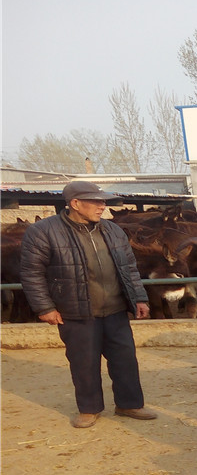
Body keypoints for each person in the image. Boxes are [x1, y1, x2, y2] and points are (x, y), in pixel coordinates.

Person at [19, 181, 157, 428]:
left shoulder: (113, 230)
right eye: (96, 201)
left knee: (125, 359)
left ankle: (129, 404)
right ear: (75, 204)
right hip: (76, 311)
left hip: (115, 309)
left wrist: (139, 298)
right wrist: (45, 308)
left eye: (103, 201)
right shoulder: (43, 231)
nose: (102, 206)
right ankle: (88, 408)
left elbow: (129, 268)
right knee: (84, 362)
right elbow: (31, 273)